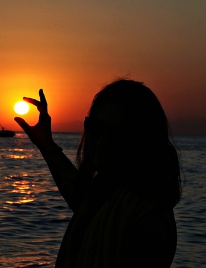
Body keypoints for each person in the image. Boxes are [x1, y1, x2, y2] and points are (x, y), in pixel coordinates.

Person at [15, 79, 182, 268]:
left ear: (142, 139)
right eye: (95, 128)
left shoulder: (147, 219)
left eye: (117, 133)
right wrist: (46, 143)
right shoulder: (102, 193)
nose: (102, 141)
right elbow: (80, 197)